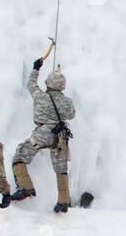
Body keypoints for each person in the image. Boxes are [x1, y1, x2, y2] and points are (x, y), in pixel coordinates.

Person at [10, 58, 76, 212]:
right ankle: (63, 202)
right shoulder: (67, 102)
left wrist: (36, 69)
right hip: (60, 137)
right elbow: (71, 115)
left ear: (48, 83)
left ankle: (26, 188)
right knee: (61, 169)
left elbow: (31, 85)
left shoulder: (41, 96)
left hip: (42, 134)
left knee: (20, 156)